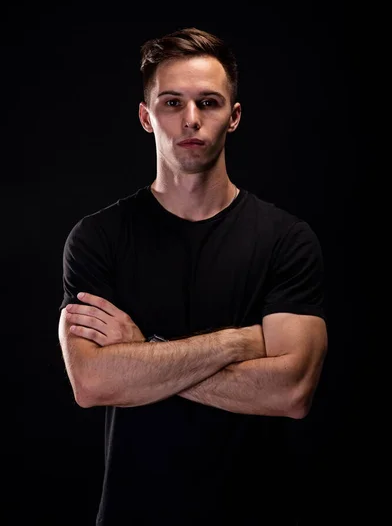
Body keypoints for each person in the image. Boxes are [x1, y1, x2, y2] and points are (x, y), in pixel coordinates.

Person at [58, 26, 328, 525]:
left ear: (234, 116)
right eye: (171, 103)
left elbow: (291, 393)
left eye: (208, 102)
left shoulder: (286, 240)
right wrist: (239, 343)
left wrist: (143, 352)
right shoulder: (98, 238)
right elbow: (93, 382)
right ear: (146, 117)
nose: (190, 120)